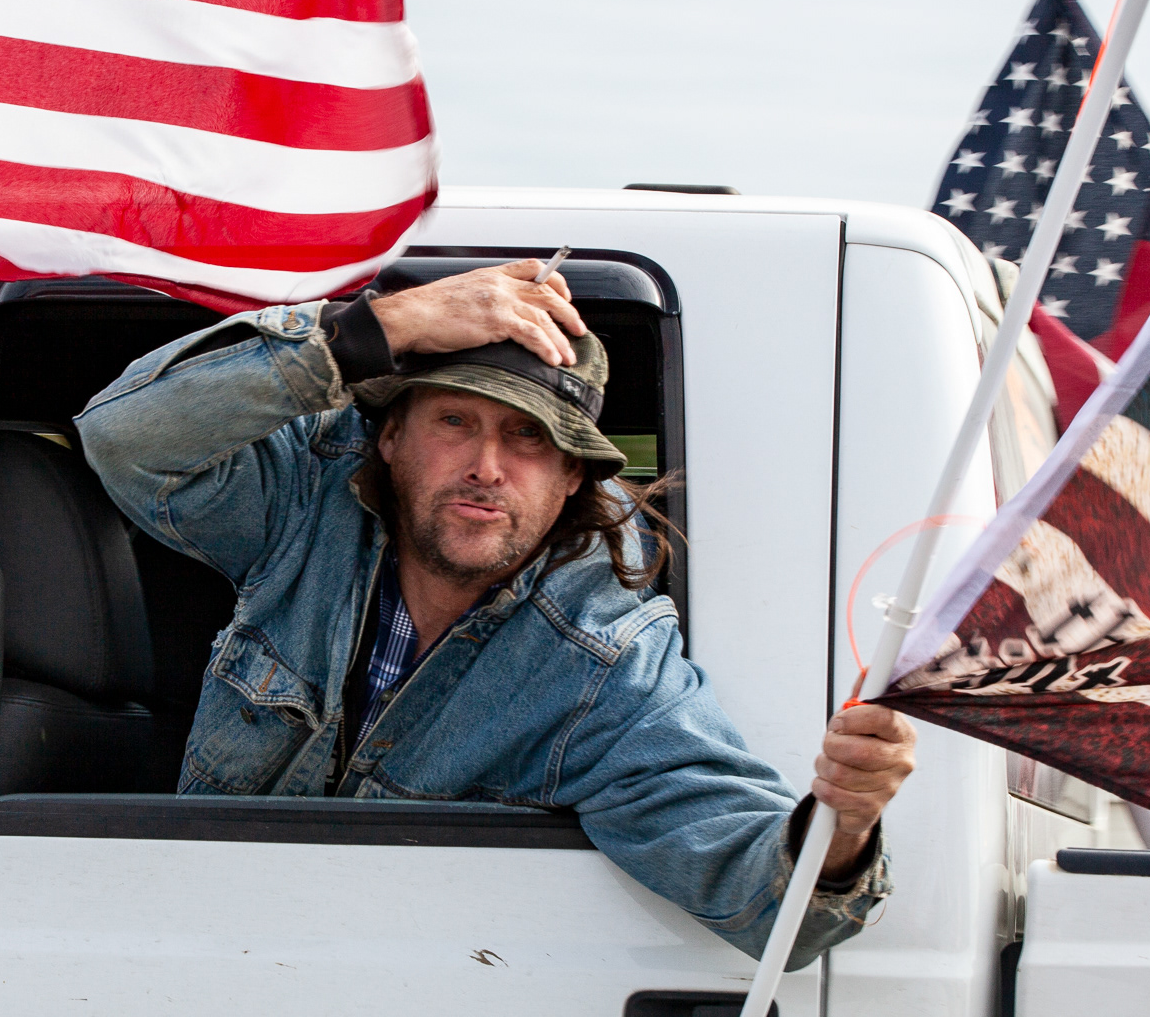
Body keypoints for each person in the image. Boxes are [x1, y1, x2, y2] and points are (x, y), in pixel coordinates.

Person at [76, 259, 916, 966]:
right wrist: (381, 326)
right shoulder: (304, 499)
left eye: (528, 438)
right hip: (192, 954)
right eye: (454, 421)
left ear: (573, 479)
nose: (486, 466)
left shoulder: (601, 663)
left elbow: (769, 908)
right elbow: (124, 434)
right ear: (389, 438)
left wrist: (842, 823)